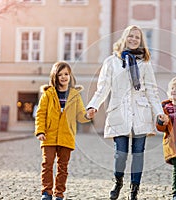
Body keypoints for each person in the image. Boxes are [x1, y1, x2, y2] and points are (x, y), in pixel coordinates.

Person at [86, 25, 168, 200]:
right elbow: (103, 88)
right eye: (130, 36)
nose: (133, 39)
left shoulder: (145, 63)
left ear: (141, 41)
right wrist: (93, 106)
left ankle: (134, 190)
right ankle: (118, 182)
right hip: (119, 111)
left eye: (137, 37)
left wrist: (158, 112)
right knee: (120, 154)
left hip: (140, 112)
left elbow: (151, 91)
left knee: (138, 154)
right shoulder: (111, 62)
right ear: (124, 37)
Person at [34, 61, 91, 200]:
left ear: (70, 76)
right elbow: (41, 114)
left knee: (63, 167)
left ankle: (59, 194)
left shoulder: (75, 95)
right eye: (60, 75)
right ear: (55, 77)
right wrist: (40, 131)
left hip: (67, 136)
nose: (64, 77)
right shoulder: (48, 94)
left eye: (66, 74)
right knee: (47, 164)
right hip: (49, 136)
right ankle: (46, 192)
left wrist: (88, 115)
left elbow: (80, 115)